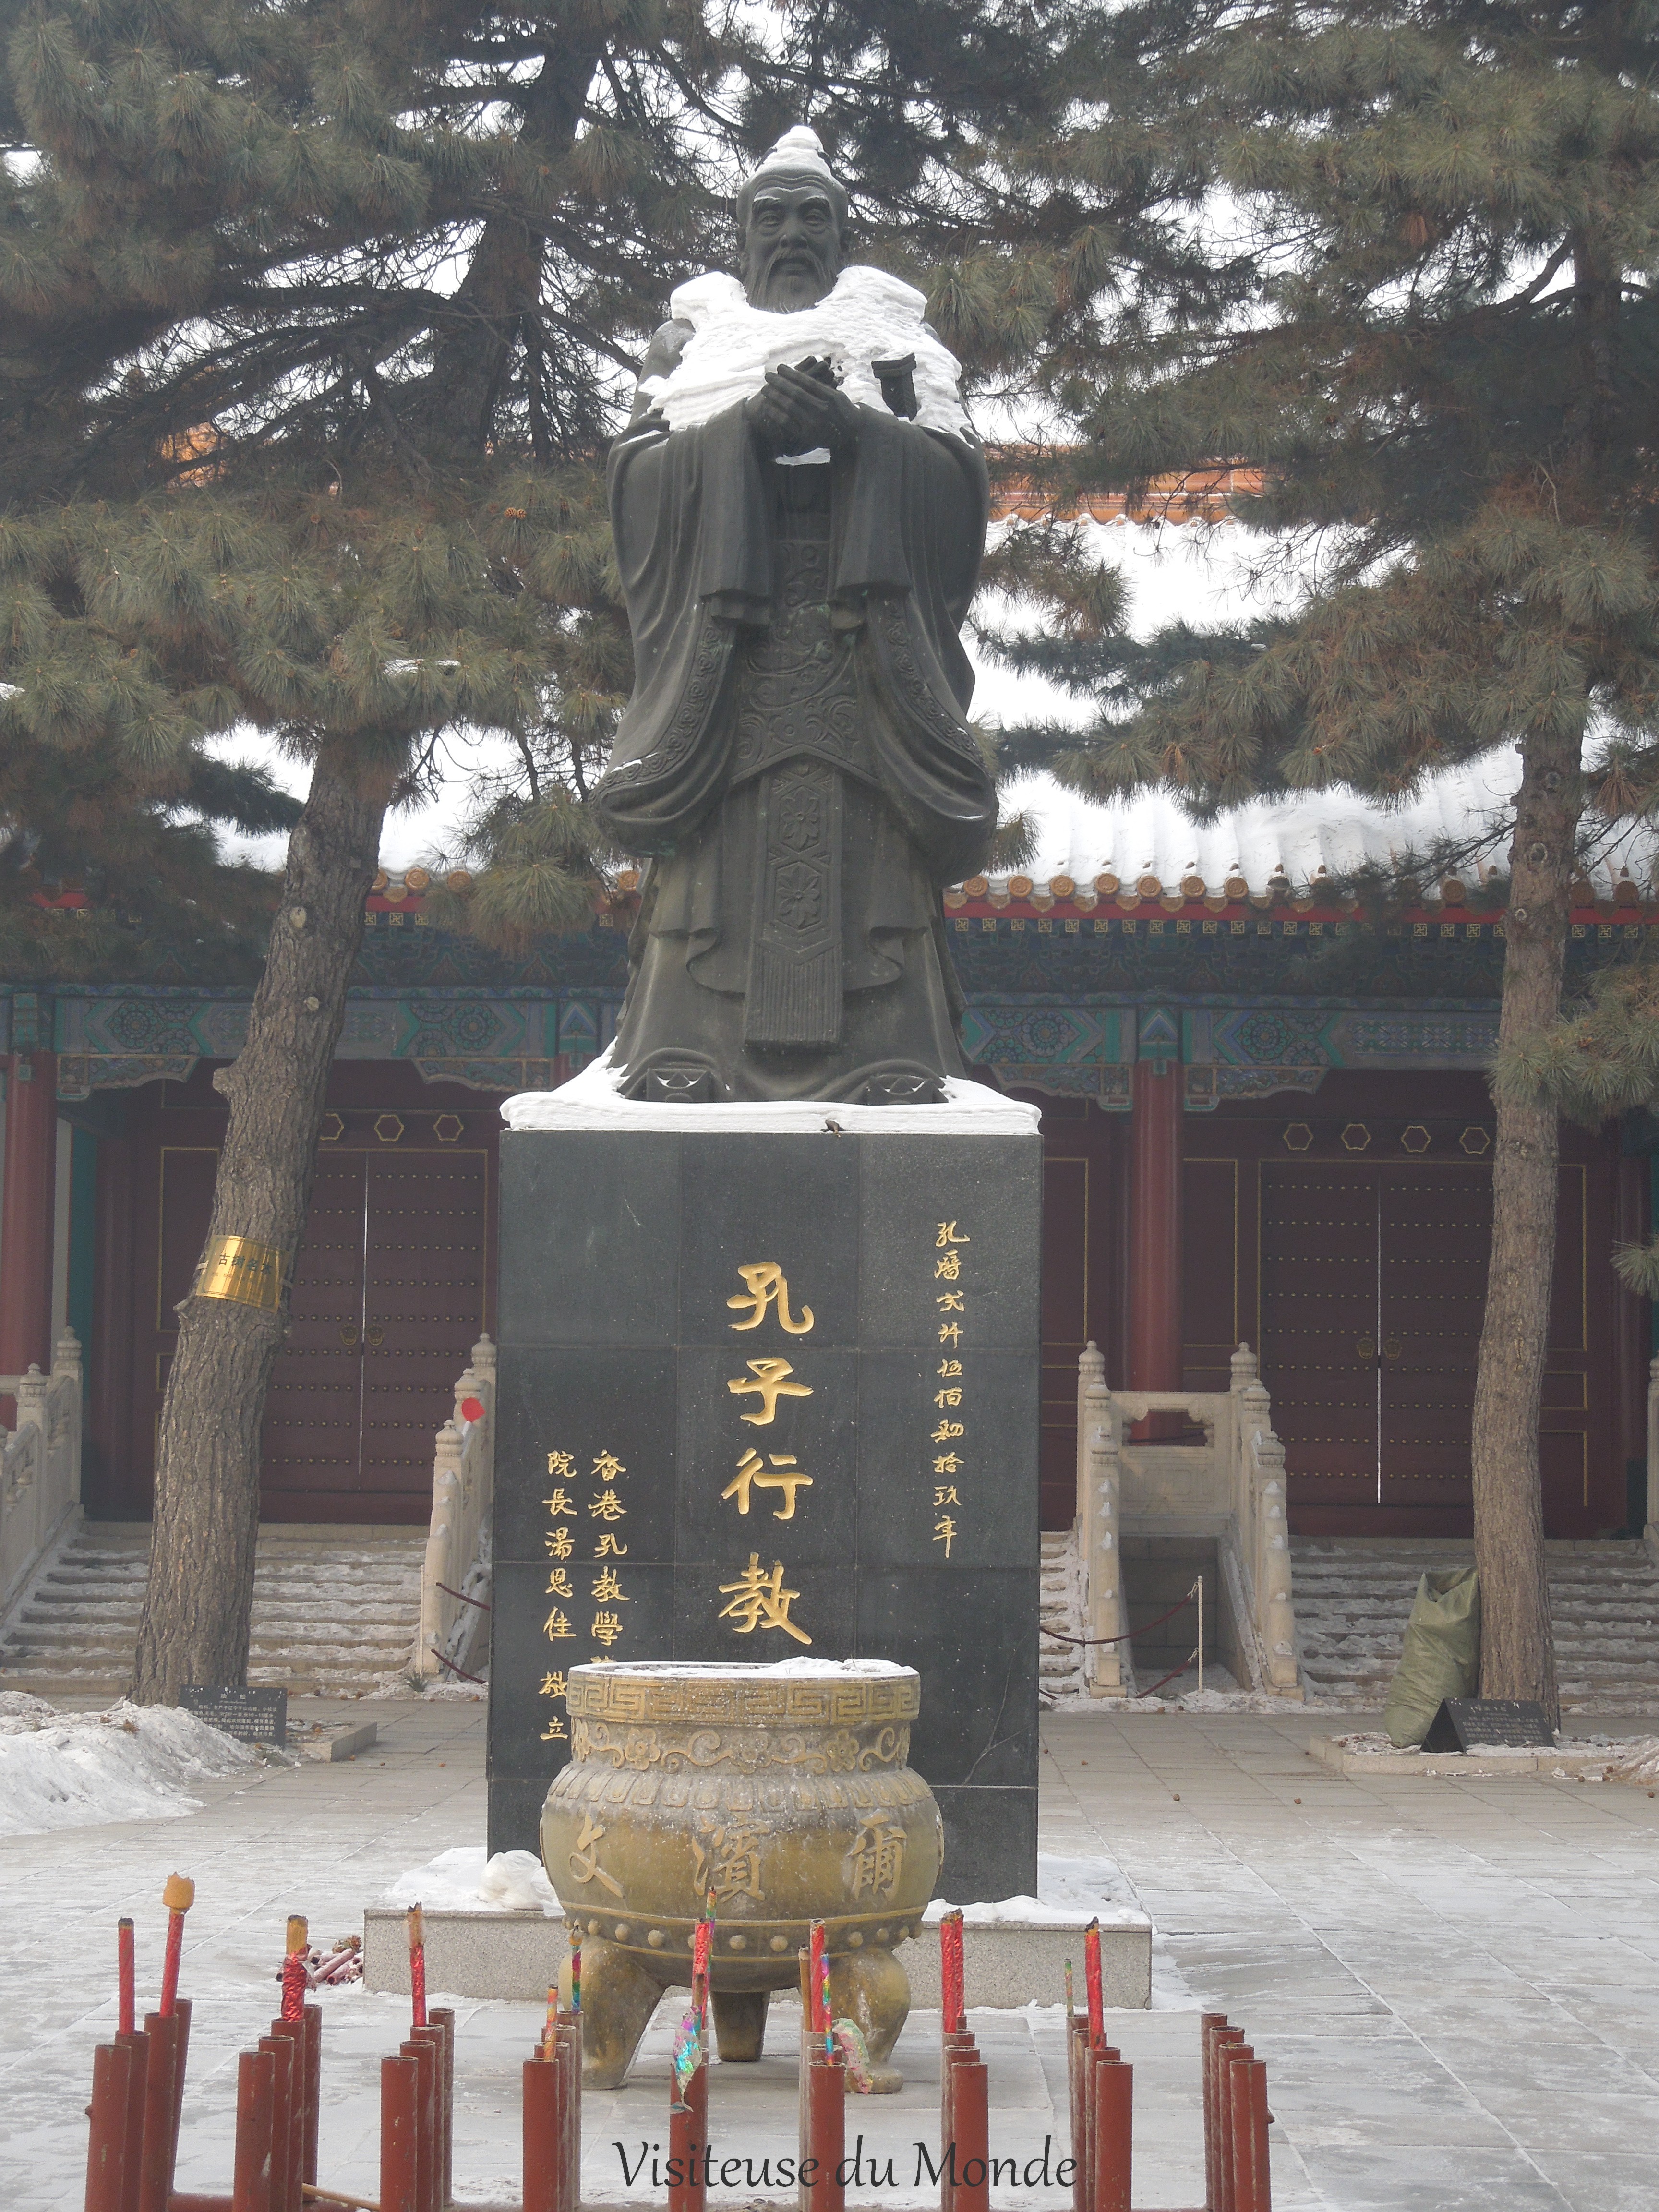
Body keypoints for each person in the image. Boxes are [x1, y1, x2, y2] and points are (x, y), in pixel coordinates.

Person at [596, 126, 997, 1102]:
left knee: (873, 861)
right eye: (769, 218)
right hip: (729, 654)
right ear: (742, 236)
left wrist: (858, 434)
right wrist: (740, 432)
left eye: (813, 218)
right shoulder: (689, 346)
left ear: (842, 234)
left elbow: (957, 491)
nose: (790, 236)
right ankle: (684, 1050)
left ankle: (893, 1053)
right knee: (709, 868)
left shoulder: (900, 345)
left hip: (865, 650)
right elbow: (636, 480)